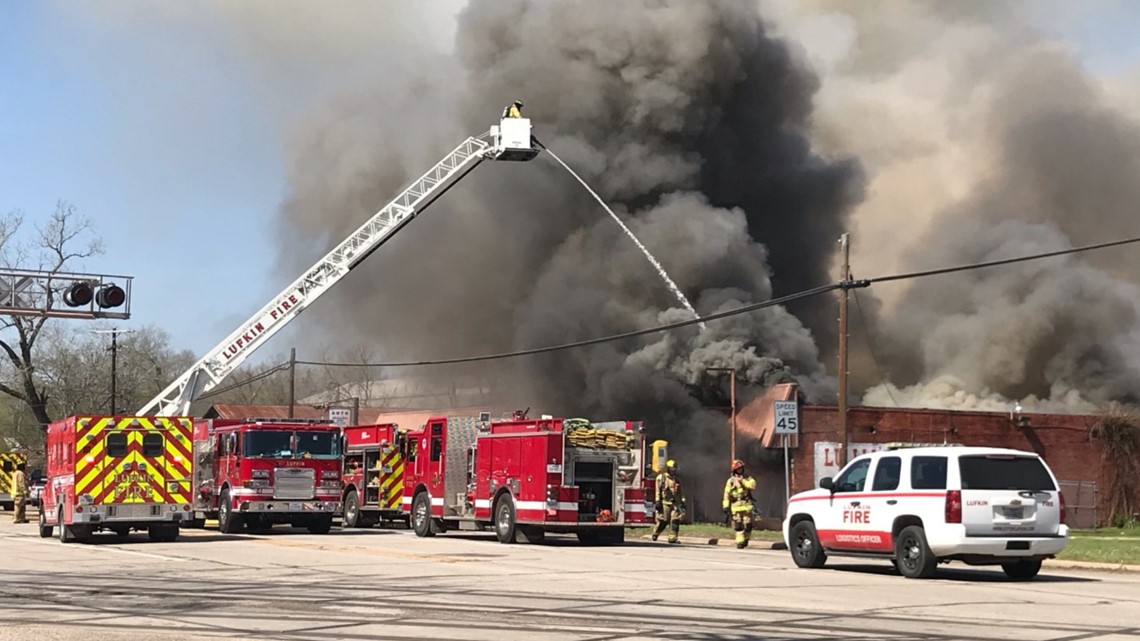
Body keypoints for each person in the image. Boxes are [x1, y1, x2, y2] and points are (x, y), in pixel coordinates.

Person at [722, 459, 756, 549]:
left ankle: (746, 539)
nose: (740, 470)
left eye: (741, 468)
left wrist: (742, 481)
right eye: (738, 469)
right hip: (735, 506)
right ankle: (740, 542)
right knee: (738, 525)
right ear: (734, 470)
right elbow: (726, 494)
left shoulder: (748, 478)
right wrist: (725, 506)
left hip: (746, 505)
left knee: (748, 525)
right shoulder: (731, 481)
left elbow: (752, 486)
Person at [652, 459, 685, 544]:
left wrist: (683, 502)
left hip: (675, 504)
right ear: (668, 469)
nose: (673, 471)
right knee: (664, 521)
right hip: (664, 504)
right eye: (671, 469)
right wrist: (657, 501)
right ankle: (656, 533)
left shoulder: (677, 480)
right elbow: (657, 491)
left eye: (674, 469)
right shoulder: (661, 478)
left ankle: (672, 538)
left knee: (675, 520)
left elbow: (681, 492)